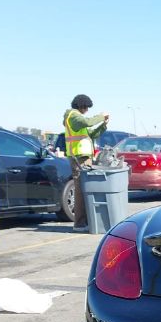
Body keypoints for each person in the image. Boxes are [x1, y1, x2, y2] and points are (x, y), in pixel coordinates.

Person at [62, 94, 109, 231]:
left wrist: (103, 125)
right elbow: (88, 122)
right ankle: (80, 223)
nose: (87, 110)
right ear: (80, 106)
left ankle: (87, 221)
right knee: (81, 190)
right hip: (79, 157)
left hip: (83, 157)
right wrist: (101, 116)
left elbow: (91, 133)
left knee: (86, 189)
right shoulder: (74, 116)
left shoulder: (78, 118)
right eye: (86, 107)